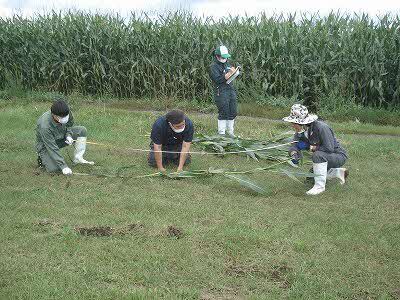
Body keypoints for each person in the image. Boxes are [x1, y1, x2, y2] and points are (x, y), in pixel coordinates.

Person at [283, 104, 348, 195]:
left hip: (337, 155)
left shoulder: (322, 127)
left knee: (317, 155)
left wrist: (310, 147)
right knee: (310, 179)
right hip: (324, 156)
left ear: (301, 123)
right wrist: (293, 154)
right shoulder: (300, 131)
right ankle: (338, 173)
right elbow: (294, 145)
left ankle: (319, 187)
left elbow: (329, 148)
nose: (292, 125)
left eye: (294, 123)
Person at [36, 98, 94, 175]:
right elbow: (52, 147)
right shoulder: (45, 125)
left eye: (66, 116)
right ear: (54, 115)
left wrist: (69, 135)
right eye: (61, 117)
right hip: (46, 145)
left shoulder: (66, 112)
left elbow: (69, 126)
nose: (65, 118)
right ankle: (42, 157)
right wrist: (63, 166)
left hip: (61, 136)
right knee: (54, 170)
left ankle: (78, 158)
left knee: (82, 130)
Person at [209, 45, 238, 136]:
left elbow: (230, 74)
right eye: (223, 57)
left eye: (226, 57)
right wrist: (227, 74)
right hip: (220, 91)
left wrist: (234, 72)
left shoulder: (227, 64)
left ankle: (230, 132)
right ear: (217, 56)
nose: (225, 59)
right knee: (224, 111)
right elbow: (217, 79)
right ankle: (221, 134)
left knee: (232, 111)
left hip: (230, 89)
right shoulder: (213, 66)